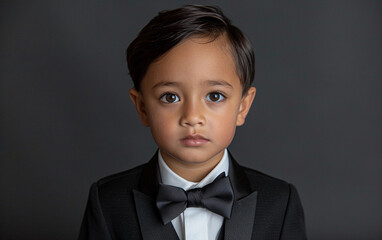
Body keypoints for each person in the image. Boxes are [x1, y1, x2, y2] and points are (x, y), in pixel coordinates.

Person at [78, 5, 307, 240]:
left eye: (215, 96)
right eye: (170, 97)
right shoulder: (108, 203)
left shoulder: (279, 202)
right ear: (142, 107)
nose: (192, 117)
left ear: (243, 106)